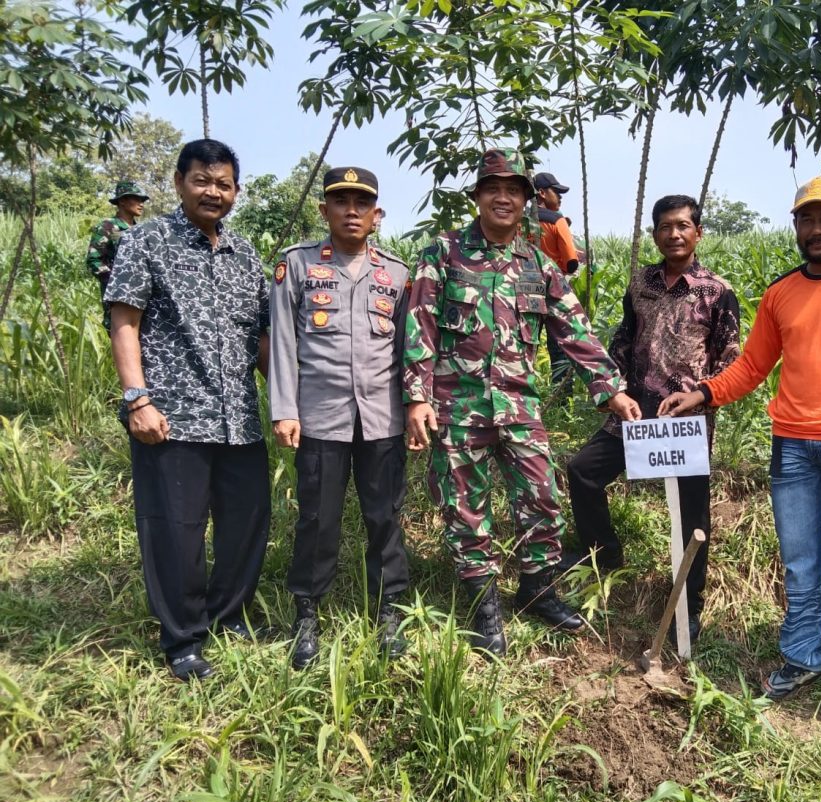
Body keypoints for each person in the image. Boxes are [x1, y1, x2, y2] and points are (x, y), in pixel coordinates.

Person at [660, 176, 821, 708]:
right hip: (793, 449)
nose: (818, 229)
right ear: (797, 225)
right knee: (800, 563)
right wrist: (706, 394)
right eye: (807, 218)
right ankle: (805, 655)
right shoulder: (783, 292)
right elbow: (754, 365)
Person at [403, 147, 640, 658]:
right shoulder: (443, 253)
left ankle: (536, 588)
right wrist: (416, 397)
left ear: (528, 201)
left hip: (518, 406)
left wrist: (612, 388)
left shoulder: (537, 263)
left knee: (542, 496)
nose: (504, 198)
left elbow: (574, 329)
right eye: (494, 189)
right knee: (465, 508)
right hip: (455, 405)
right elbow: (418, 323)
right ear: (478, 197)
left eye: (514, 191)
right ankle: (483, 605)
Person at [105, 140, 270, 682]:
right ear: (180, 183)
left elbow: (262, 341)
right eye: (202, 180)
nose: (213, 192)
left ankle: (229, 615)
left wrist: (289, 403)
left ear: (236, 192)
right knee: (175, 531)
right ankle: (182, 638)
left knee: (245, 524)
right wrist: (138, 400)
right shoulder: (147, 241)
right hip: (171, 419)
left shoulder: (246, 255)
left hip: (240, 418)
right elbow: (124, 322)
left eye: (223, 184)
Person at [559, 194, 740, 644]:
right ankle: (603, 553)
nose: (674, 234)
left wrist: (700, 398)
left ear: (698, 232)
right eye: (665, 227)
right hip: (634, 413)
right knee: (583, 472)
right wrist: (612, 390)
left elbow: (731, 359)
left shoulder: (716, 292)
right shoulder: (641, 283)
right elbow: (623, 340)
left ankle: (688, 602)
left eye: (683, 226)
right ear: (654, 233)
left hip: (683, 422)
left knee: (690, 512)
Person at [268, 167, 412, 670]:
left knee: (385, 517)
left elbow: (406, 349)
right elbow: (283, 342)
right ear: (324, 210)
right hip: (320, 416)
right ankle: (307, 611)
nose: (351, 210)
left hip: (382, 418)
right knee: (317, 519)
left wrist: (415, 408)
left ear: (377, 216)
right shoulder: (299, 265)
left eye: (362, 203)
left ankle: (389, 609)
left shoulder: (395, 274)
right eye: (341, 201)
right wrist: (284, 409)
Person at [533, 171, 579, 388]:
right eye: (556, 192)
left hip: (521, 289)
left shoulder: (518, 221)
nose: (560, 197)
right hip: (553, 288)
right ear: (541, 193)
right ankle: (562, 399)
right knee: (559, 348)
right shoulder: (557, 220)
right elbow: (571, 261)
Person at [87, 181, 149, 330]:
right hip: (117, 294)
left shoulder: (141, 230)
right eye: (136, 199)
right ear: (122, 201)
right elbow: (93, 260)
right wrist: (116, 282)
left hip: (142, 292)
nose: (141, 204)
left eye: (142, 200)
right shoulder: (107, 226)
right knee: (119, 330)